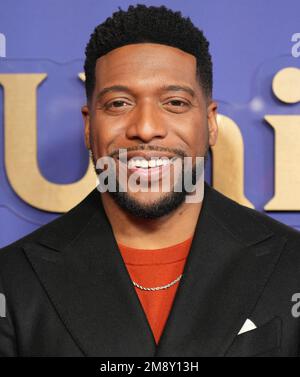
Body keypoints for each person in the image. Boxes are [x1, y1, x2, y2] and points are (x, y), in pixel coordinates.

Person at [0, 4, 300, 357]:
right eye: (118, 104)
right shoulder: (13, 279)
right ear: (87, 126)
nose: (144, 129)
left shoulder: (292, 263)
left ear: (211, 122)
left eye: (174, 102)